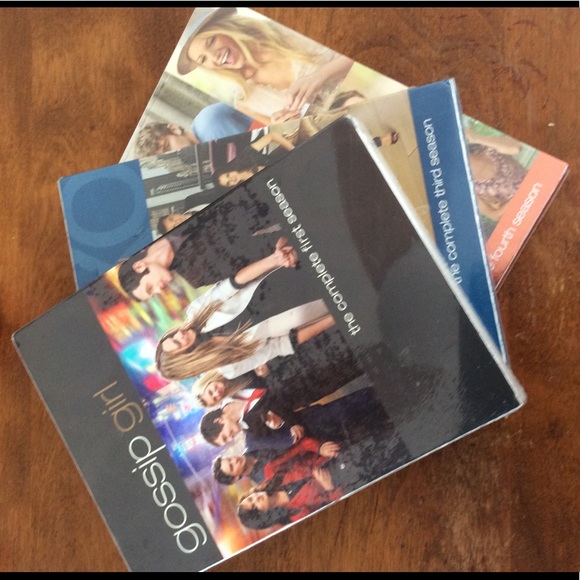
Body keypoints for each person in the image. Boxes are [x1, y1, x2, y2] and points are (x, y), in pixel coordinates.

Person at [154, 236, 335, 381]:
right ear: (186, 360)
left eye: (173, 336)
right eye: (178, 343)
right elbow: (282, 345)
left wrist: (275, 260)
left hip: (286, 274)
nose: (179, 334)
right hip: (311, 307)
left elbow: (235, 282)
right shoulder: (230, 368)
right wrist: (333, 318)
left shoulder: (195, 312)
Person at [175, 8, 355, 122]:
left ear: (225, 27)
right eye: (203, 59)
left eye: (211, 41)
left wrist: (321, 75)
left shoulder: (284, 24)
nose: (214, 57)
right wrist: (282, 127)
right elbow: (296, 142)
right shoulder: (245, 101)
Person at [133, 101, 262, 158]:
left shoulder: (208, 126)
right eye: (166, 156)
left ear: (174, 129)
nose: (172, 154)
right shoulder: (203, 152)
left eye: (167, 146)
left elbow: (258, 150)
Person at [464, 126, 528, 231]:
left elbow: (516, 147)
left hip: (542, 186)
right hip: (524, 214)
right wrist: (522, 195)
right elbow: (494, 215)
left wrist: (476, 138)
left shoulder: (488, 149)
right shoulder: (469, 188)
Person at [212, 131, 296, 189]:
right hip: (291, 177)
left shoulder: (245, 157)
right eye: (228, 183)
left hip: (287, 158)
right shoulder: (249, 189)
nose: (232, 179)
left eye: (228, 175)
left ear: (229, 170)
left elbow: (271, 136)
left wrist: (294, 150)